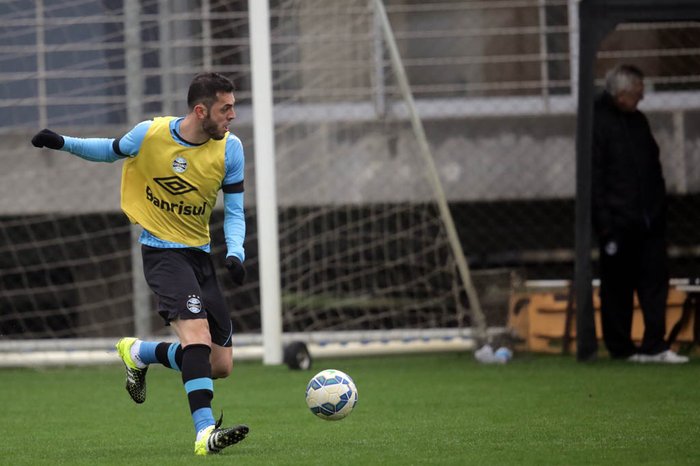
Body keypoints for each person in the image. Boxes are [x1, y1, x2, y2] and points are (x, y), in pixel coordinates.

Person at [31, 72, 251, 454]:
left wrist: (236, 252)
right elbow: (108, 149)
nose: (232, 115)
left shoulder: (231, 150)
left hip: (199, 255)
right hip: (162, 253)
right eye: (225, 108)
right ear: (201, 111)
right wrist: (61, 142)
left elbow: (234, 211)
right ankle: (204, 434)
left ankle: (139, 353)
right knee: (196, 337)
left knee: (219, 365)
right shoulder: (151, 134)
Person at [592, 64, 688, 364]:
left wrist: (658, 209)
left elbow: (653, 168)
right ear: (620, 94)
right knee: (617, 288)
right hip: (618, 223)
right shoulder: (598, 124)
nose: (642, 97)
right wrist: (605, 225)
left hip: (650, 220)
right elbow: (594, 179)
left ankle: (654, 345)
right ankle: (621, 348)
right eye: (637, 92)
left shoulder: (638, 122)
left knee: (655, 282)